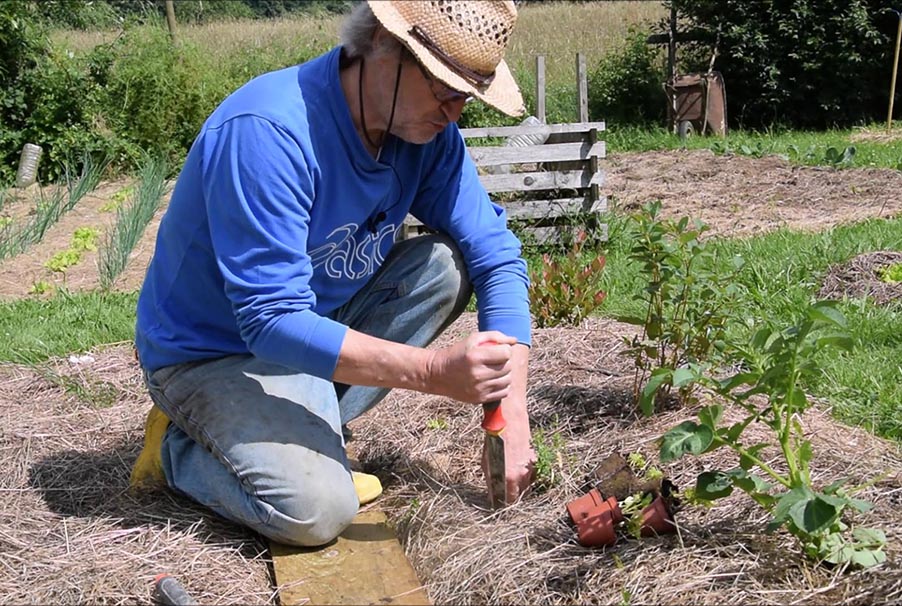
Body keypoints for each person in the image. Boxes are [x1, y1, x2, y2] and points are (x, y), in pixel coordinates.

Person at [130, 0, 536, 547]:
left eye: (466, 96)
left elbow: (498, 256)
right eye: (444, 90)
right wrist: (435, 372)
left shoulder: (428, 139)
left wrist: (510, 407)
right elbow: (270, 321)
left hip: (312, 324)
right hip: (213, 353)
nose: (454, 113)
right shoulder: (269, 131)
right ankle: (181, 448)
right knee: (317, 509)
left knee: (444, 266)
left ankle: (303, 426)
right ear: (383, 50)